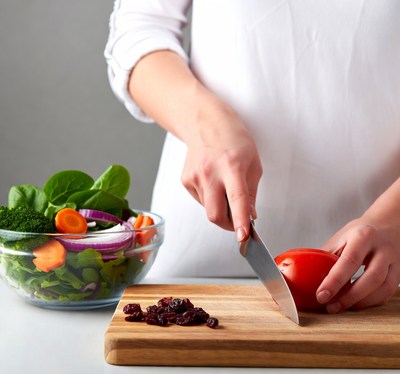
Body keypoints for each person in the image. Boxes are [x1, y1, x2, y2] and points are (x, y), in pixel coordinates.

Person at [104, 1, 400, 313]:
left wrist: (391, 219)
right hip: (195, 263)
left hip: (383, 268)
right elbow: (138, 30)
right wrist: (205, 125)